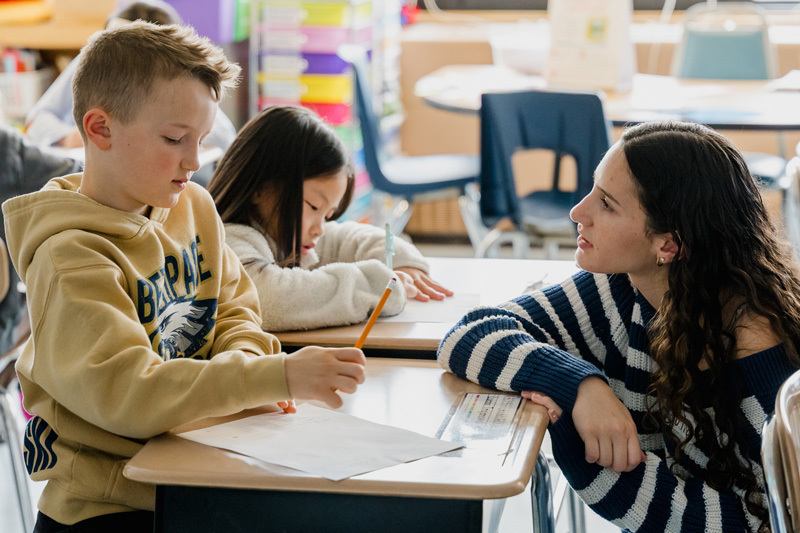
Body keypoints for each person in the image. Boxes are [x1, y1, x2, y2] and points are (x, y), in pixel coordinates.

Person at [3, 22, 365, 532]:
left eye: (200, 140)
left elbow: (235, 307)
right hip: (114, 503)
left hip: (197, 466)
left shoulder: (191, 204)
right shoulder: (71, 256)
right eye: (175, 139)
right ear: (100, 128)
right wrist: (272, 376)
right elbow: (129, 391)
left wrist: (244, 371)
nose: (194, 161)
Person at [437, 121, 800, 532]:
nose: (578, 212)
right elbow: (471, 334)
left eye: (607, 204)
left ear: (668, 244)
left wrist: (583, 450)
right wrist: (579, 386)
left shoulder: (763, 364)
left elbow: (762, 525)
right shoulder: (626, 288)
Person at [206, 105, 452, 332]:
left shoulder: (283, 234)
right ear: (260, 187)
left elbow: (349, 236)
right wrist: (379, 285)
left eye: (328, 215)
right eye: (313, 206)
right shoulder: (228, 239)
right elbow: (268, 298)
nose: (319, 229)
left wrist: (402, 262)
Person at [24, 0, 236, 155]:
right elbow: (37, 120)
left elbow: (222, 136)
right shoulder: (92, 62)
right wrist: (70, 138)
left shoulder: (179, 84)